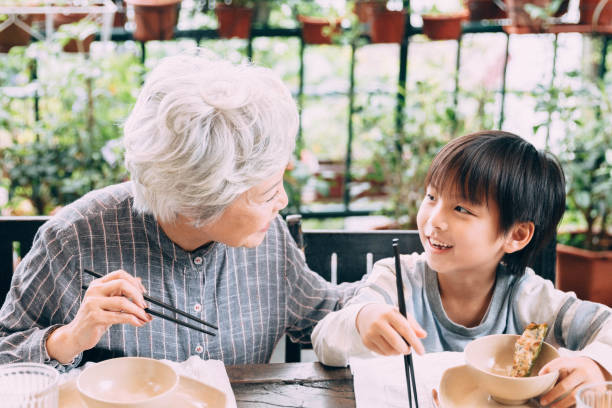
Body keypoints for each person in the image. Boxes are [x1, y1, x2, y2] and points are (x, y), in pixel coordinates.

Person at [0, 53, 361, 372]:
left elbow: (322, 311)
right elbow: (5, 352)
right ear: (200, 201)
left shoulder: (269, 238)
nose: (281, 201)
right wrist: (68, 339)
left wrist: (379, 301)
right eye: (267, 193)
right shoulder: (75, 240)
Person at [312, 131, 612, 407]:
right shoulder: (398, 279)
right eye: (431, 197)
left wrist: (595, 364)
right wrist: (361, 320)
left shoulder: (531, 298)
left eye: (462, 209)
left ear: (516, 235)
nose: (434, 221)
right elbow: (324, 341)